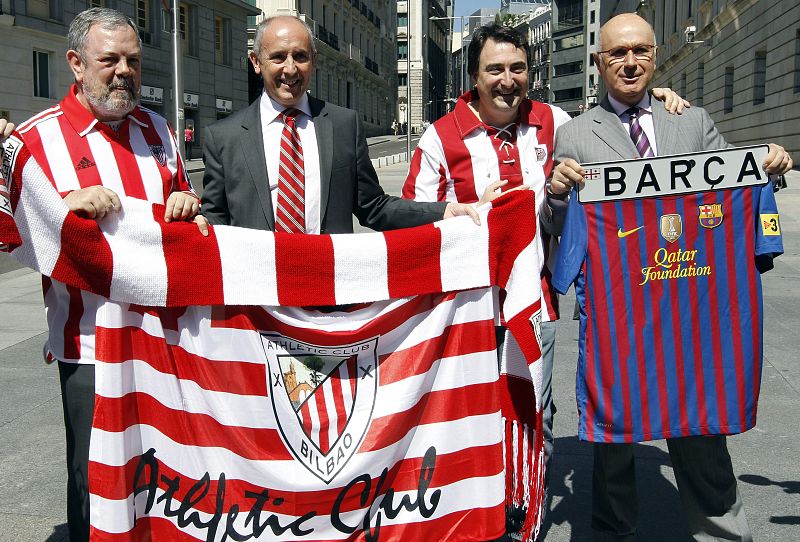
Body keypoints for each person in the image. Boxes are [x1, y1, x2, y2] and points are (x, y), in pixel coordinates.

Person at [401, 22, 688, 517]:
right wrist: (462, 216)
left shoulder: (555, 122)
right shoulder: (440, 136)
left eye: (518, 68)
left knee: (536, 414)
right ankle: (472, 514)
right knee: (465, 413)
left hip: (537, 305)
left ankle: (525, 515)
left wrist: (657, 99)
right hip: (464, 307)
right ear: (474, 76)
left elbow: (611, 126)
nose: (507, 79)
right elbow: (412, 223)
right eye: (495, 69)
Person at [550, 13, 793, 542]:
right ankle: (613, 534)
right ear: (598, 62)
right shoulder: (573, 134)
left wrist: (767, 164)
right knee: (614, 444)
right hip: (618, 319)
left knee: (702, 431)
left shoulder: (692, 121)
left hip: (691, 314)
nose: (630, 62)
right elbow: (557, 227)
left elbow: (735, 188)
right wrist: (557, 193)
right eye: (617, 53)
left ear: (655, 56)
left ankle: (724, 533)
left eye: (640, 50)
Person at [2, 8, 205, 540]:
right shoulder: (36, 140)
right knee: (93, 477)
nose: (124, 72)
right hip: (89, 344)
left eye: (133, 61)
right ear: (75, 63)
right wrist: (64, 206)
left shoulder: (158, 129)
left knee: (162, 470)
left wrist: (187, 204)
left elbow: (184, 206)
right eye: (109, 60)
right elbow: (9, 230)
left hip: (164, 338)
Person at [201, 15, 479, 233]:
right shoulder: (223, 137)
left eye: (300, 56)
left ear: (313, 61)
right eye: (278, 57)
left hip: (329, 284)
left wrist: (443, 211)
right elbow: (214, 222)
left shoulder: (344, 125)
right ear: (256, 62)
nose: (290, 69)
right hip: (258, 286)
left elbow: (373, 207)